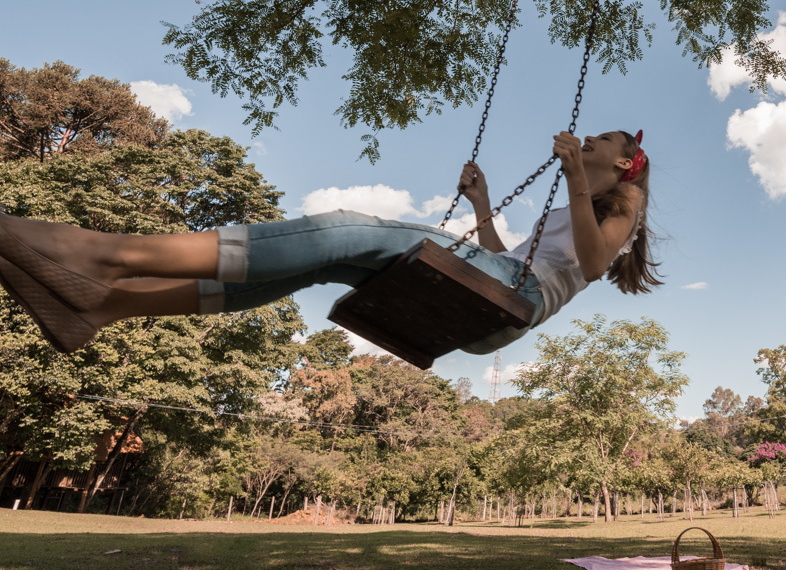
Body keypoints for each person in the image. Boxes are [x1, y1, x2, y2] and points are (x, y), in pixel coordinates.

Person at [0, 130, 659, 354]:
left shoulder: (618, 210)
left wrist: (575, 177)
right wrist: (484, 205)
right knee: (323, 261)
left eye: (601, 140)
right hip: (497, 287)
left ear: (622, 163)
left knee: (347, 227)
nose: (588, 142)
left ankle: (107, 254)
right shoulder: (577, 208)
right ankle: (109, 305)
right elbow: (508, 257)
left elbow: (595, 265)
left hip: (508, 303)